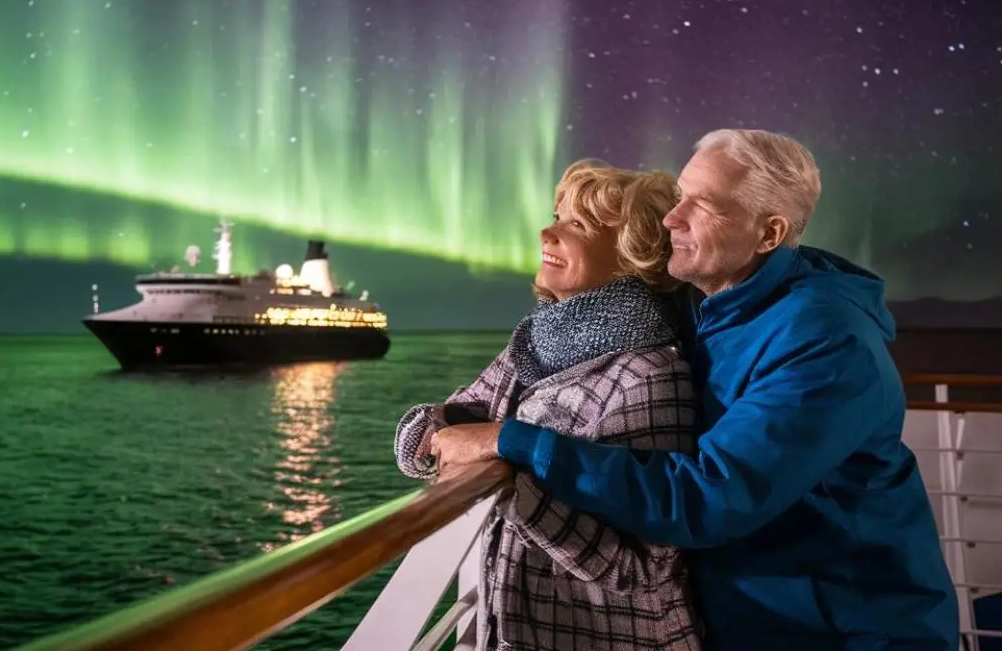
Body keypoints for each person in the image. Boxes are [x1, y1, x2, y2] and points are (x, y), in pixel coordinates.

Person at [432, 129, 959, 650]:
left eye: (702, 206)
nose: (670, 218)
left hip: (846, 628)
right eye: (680, 195)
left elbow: (709, 498)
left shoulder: (827, 341)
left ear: (769, 234)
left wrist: (513, 441)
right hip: (745, 620)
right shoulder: (701, 303)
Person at [395, 160, 703, 651]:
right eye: (556, 216)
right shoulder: (535, 344)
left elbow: (647, 564)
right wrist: (426, 437)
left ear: (633, 257)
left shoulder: (650, 374)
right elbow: (453, 415)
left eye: (576, 225)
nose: (547, 231)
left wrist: (513, 483)